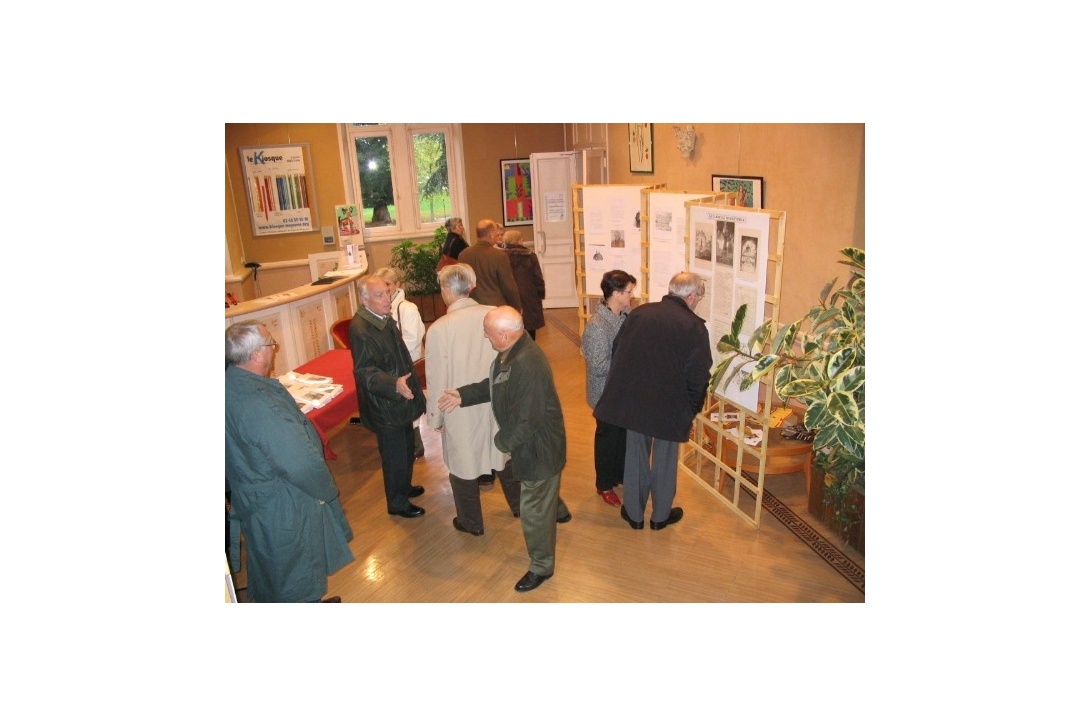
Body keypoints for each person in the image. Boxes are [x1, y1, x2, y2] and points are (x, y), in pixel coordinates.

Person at [439, 306, 571, 593]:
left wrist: (499, 443)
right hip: (536, 446)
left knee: (533, 510)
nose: (485, 338)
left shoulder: (527, 363)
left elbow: (527, 419)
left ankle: (541, 566)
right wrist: (463, 395)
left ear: (503, 333)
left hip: (539, 449)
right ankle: (558, 509)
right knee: (543, 492)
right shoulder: (513, 350)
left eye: (488, 334)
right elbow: (496, 385)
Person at [225, 320, 354, 602]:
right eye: (271, 344)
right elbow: (299, 463)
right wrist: (325, 491)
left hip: (253, 497)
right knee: (297, 572)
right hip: (284, 503)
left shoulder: (229, 385)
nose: (274, 349)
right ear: (257, 354)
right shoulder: (260, 405)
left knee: (270, 566)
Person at [594, 272, 712, 531]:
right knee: (665, 459)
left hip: (635, 400)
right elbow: (698, 375)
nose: (698, 301)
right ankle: (660, 516)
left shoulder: (639, 314)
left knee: (635, 455)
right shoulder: (693, 327)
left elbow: (618, 353)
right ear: (691, 296)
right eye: (699, 296)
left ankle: (634, 514)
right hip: (671, 405)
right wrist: (691, 409)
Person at [425, 264, 522, 535]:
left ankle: (471, 522)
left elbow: (436, 380)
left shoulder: (439, 329)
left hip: (458, 405)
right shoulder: (493, 315)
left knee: (462, 464)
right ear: (472, 286)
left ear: (446, 290)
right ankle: (520, 506)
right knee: (503, 455)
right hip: (496, 401)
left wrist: (435, 417)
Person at [349, 275, 428, 519]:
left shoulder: (382, 317)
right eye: (379, 295)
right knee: (394, 456)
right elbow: (364, 371)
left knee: (406, 449)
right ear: (364, 299)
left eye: (387, 292)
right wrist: (393, 384)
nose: (387, 298)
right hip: (385, 403)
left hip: (399, 398)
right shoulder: (361, 328)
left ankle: (404, 487)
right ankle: (397, 503)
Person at [580, 269, 638, 507]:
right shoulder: (596, 327)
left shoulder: (626, 316)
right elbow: (598, 367)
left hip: (622, 391)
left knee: (621, 436)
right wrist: (627, 359)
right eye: (628, 292)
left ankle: (618, 475)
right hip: (605, 394)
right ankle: (603, 484)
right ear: (615, 293)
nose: (632, 296)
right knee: (607, 439)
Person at [376, 266, 427, 459]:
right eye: (382, 286)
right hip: (389, 364)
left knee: (408, 401)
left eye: (388, 284)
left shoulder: (407, 308)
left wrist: (388, 356)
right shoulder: (380, 308)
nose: (386, 290)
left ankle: (415, 443)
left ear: (397, 285)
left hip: (407, 363)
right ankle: (401, 442)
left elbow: (412, 339)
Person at [458, 219, 522, 311]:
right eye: (496, 232)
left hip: (472, 307)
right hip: (496, 307)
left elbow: (462, 284)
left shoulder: (463, 255)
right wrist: (516, 307)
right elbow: (509, 286)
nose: (497, 234)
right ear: (491, 234)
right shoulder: (499, 256)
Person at [497, 229, 546, 339]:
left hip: (507, 294)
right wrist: (540, 293)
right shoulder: (530, 255)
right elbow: (537, 277)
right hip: (529, 294)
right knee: (529, 327)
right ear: (520, 241)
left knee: (509, 326)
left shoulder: (500, 256)